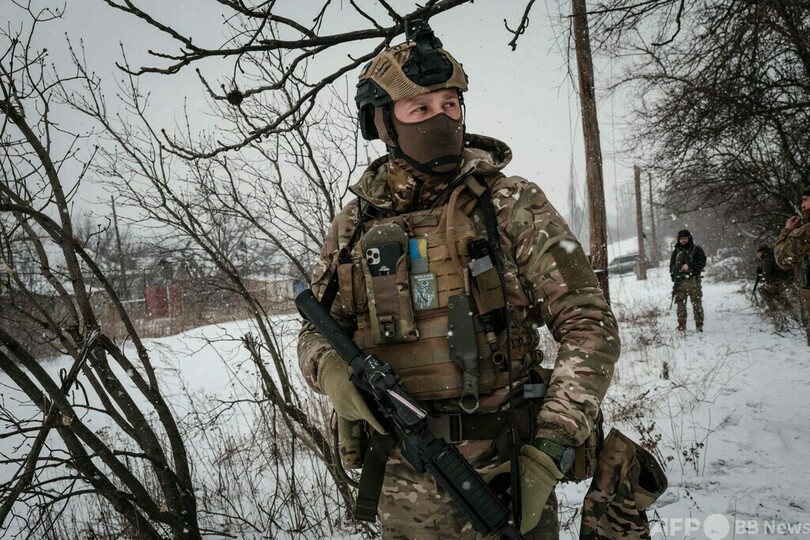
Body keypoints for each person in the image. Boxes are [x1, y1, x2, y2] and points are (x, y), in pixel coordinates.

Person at [297, 21, 621, 539]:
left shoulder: (512, 204)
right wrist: (329, 370)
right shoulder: (353, 225)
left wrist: (551, 446)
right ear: (383, 122)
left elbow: (590, 325)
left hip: (506, 477)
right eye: (420, 108)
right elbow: (315, 330)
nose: (441, 118)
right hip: (403, 488)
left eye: (450, 104)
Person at [774, 186, 810, 345]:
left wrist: (787, 231)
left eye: (805, 200)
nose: (802, 205)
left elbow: (783, 260)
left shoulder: (806, 232)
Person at [669, 229, 707, 332]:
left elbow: (702, 262)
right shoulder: (676, 251)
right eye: (681, 239)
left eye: (685, 238)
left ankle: (699, 326)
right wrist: (674, 274)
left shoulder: (696, 249)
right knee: (680, 304)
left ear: (689, 238)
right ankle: (681, 325)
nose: (683, 241)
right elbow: (672, 265)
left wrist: (690, 266)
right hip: (680, 282)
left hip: (693, 281)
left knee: (696, 303)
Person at [755, 243, 794, 329]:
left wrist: (761, 279)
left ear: (761, 251)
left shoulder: (767, 258)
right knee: (776, 293)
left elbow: (766, 274)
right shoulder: (774, 254)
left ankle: (773, 309)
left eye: (758, 253)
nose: (758, 255)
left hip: (777, 282)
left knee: (762, 289)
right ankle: (786, 308)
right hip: (785, 280)